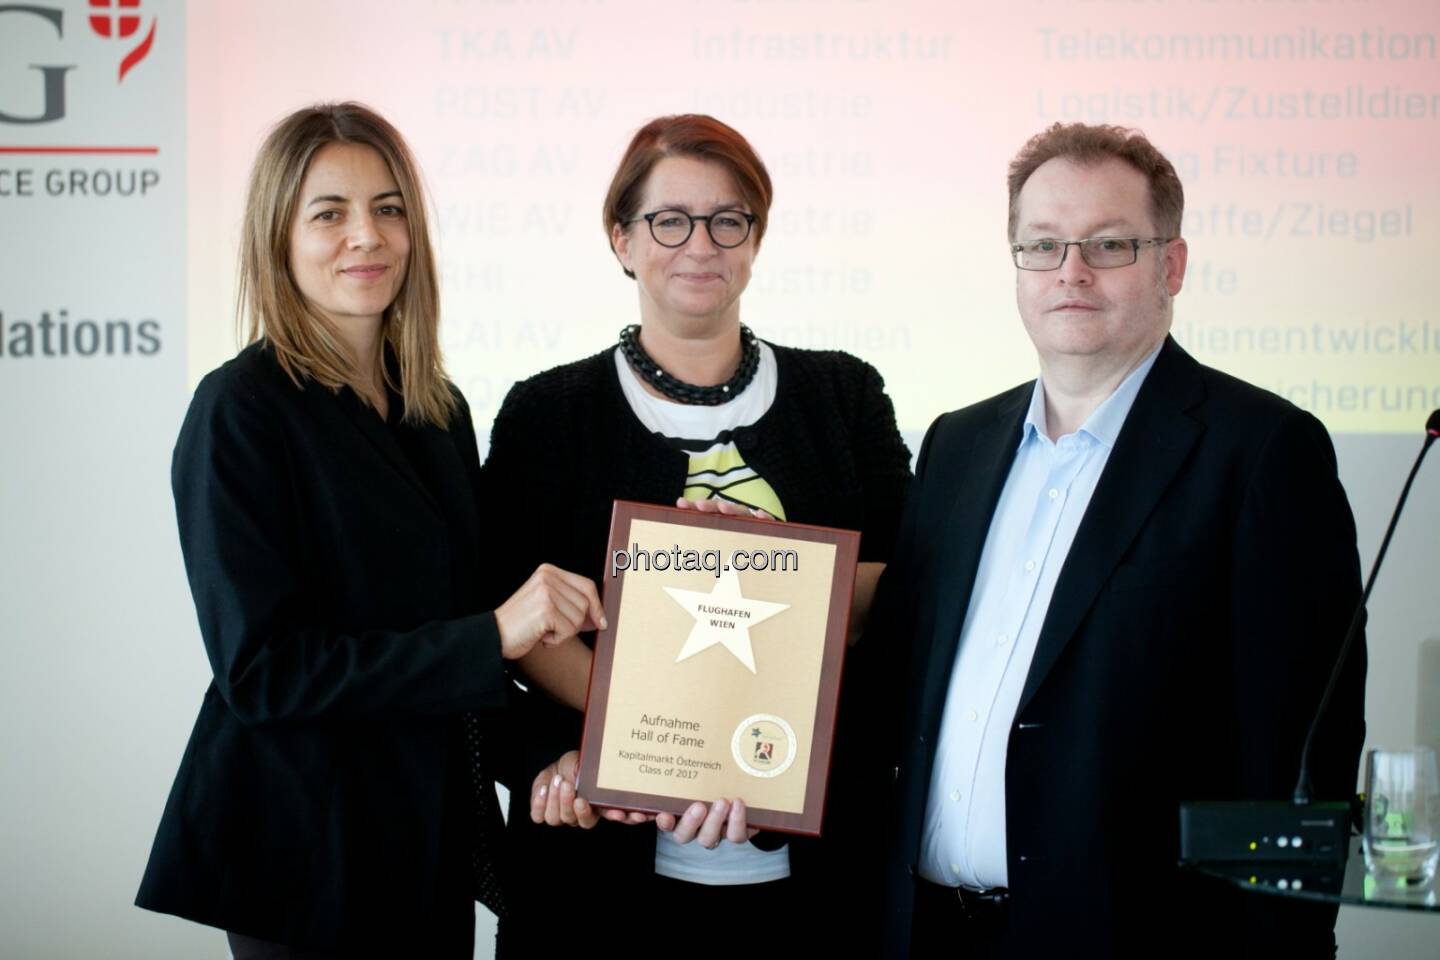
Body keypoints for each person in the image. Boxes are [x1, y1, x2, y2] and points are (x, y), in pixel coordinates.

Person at [866, 122, 1367, 958]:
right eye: (1043, 245)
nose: (1071, 271)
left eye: (1109, 244)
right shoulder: (956, 446)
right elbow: (898, 695)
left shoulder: (1263, 453)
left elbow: (1297, 758)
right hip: (927, 934)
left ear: (1171, 265)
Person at [134, 102, 603, 958]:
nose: (368, 236)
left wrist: (556, 753)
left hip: (427, 839)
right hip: (309, 855)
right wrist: (496, 632)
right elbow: (265, 673)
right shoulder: (241, 411)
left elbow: (459, 646)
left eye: (390, 209)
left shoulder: (437, 409)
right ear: (278, 234)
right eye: (331, 212)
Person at [482, 114, 913, 954]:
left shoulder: (845, 395)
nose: (701, 245)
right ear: (622, 240)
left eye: (729, 220)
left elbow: (900, 590)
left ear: (756, 238)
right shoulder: (545, 414)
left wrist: (771, 564)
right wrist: (638, 738)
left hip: (816, 872)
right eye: (669, 221)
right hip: (599, 870)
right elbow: (514, 620)